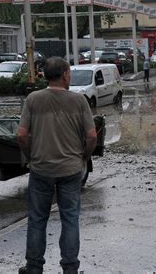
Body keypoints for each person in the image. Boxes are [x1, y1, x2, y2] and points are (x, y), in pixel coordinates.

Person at [17, 57, 97, 274]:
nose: (70, 76)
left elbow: (21, 135)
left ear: (44, 75)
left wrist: (31, 156)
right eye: (69, 72)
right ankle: (70, 268)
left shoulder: (33, 100)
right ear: (64, 75)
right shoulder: (78, 101)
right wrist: (83, 157)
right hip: (70, 170)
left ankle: (34, 267)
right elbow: (91, 137)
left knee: (37, 219)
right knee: (70, 218)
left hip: (41, 168)